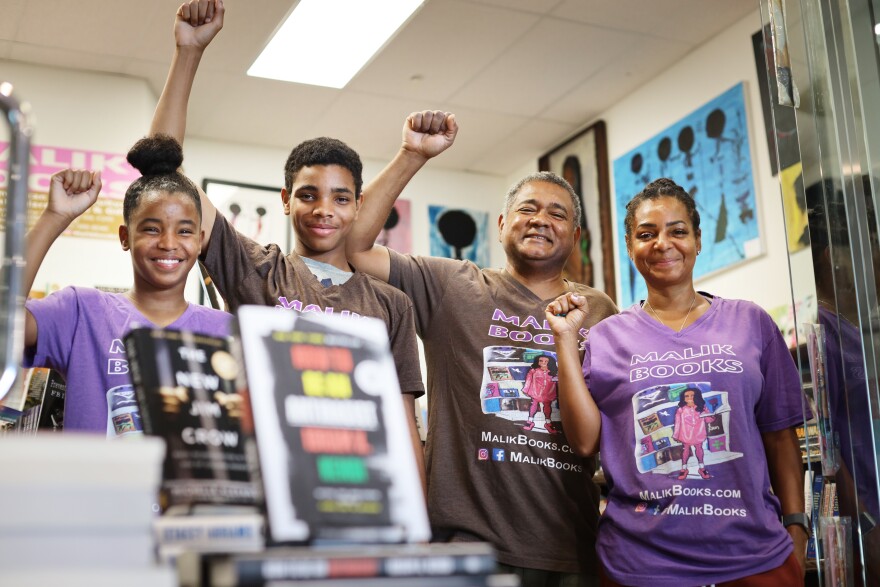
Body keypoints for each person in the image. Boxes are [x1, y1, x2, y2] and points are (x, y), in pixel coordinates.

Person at [151, 0, 457, 496]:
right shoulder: (258, 270)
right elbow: (163, 171)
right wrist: (188, 53)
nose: (323, 210)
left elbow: (404, 422)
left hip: (363, 489)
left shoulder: (390, 304)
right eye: (308, 195)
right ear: (286, 201)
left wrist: (416, 525)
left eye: (340, 198)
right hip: (269, 486)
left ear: (359, 206)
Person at [348, 163, 618, 584]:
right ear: (502, 223)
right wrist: (411, 154)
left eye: (557, 213)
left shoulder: (601, 312)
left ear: (576, 236)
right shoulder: (452, 284)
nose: (540, 220)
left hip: (571, 548)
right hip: (467, 548)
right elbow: (355, 245)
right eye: (528, 208)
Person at [547, 177, 807, 586]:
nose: (662, 244)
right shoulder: (606, 337)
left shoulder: (750, 322)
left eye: (677, 231)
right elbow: (583, 443)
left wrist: (796, 527)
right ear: (631, 247)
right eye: (646, 234)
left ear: (698, 240)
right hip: (640, 564)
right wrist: (564, 339)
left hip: (755, 558)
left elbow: (779, 434)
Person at [23, 135, 232, 436]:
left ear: (199, 241)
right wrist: (54, 217)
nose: (169, 243)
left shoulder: (226, 331)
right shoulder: (82, 312)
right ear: (125, 237)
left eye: (184, 231)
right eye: (151, 229)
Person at [671, 386, 714, 480]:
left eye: (692, 396)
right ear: (683, 398)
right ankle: (684, 468)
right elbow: (677, 423)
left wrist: (707, 413)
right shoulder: (681, 410)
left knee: (699, 449)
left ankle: (701, 468)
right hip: (685, 434)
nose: (690, 398)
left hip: (699, 433)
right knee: (685, 450)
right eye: (687, 396)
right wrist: (676, 435)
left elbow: (709, 420)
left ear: (697, 397)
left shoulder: (702, 408)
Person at [521, 354, 559, 434]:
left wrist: (557, 393)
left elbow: (557, 383)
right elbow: (528, 380)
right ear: (537, 362)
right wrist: (526, 390)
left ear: (550, 362)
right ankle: (530, 421)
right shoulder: (533, 371)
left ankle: (548, 423)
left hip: (548, 393)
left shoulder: (553, 372)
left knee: (547, 407)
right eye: (541, 361)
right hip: (535, 392)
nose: (543, 363)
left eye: (546, 361)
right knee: (533, 405)